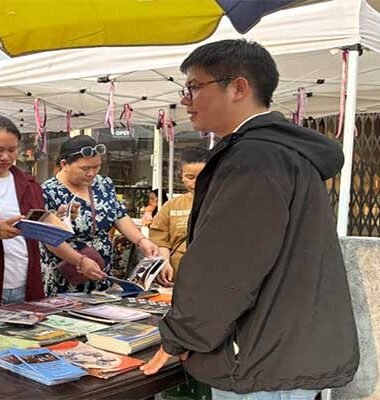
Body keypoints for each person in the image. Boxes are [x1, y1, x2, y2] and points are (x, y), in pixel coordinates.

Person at [141, 39, 359, 399]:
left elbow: (227, 265)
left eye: (194, 87)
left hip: (261, 358)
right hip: (285, 348)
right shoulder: (281, 153)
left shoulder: (256, 158)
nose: (185, 100)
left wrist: (179, 336)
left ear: (238, 87)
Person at [0, 116, 105, 306]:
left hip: (28, 284)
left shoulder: (29, 184)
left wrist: (80, 261)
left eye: (12, 150)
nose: (6, 157)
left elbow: (44, 233)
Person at [41, 135, 159, 295]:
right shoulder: (48, 191)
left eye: (97, 167)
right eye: (85, 169)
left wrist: (141, 240)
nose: (91, 173)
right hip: (66, 273)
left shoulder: (104, 184)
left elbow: (119, 215)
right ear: (64, 164)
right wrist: (80, 261)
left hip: (101, 271)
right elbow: (50, 239)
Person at [149, 146, 208, 285]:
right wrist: (163, 263)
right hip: (176, 278)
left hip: (210, 276)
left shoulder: (223, 202)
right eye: (190, 177)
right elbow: (160, 240)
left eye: (202, 177)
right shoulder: (172, 206)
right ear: (181, 176)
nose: (196, 183)